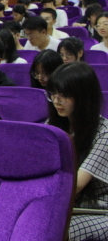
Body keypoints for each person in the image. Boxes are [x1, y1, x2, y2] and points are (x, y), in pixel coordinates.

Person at [45, 62, 108, 241]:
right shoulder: (52, 125)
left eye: (64, 95)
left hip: (99, 210)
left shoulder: (104, 132)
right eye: (53, 93)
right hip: (65, 206)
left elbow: (76, 184)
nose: (56, 100)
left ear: (83, 97)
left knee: (56, 230)